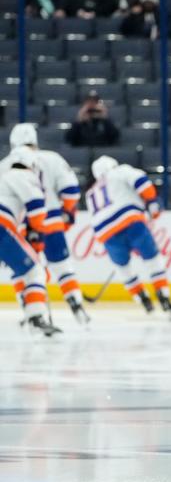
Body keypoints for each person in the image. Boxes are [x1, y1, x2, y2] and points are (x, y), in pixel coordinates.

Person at [0, 124, 89, 324]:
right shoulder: (52, 158)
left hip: (20, 227)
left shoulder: (5, 164)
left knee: (23, 269)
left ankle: (30, 310)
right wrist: (68, 213)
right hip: (51, 221)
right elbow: (71, 190)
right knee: (62, 266)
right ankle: (76, 304)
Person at [85, 156, 171, 317]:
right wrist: (151, 201)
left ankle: (142, 298)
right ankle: (164, 297)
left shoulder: (90, 192)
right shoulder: (120, 171)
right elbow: (141, 182)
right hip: (130, 222)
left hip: (105, 233)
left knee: (123, 268)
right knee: (153, 260)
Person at [0, 148, 61, 336]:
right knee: (35, 271)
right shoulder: (24, 175)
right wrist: (37, 238)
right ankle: (36, 317)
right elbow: (36, 210)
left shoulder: (4, 176)